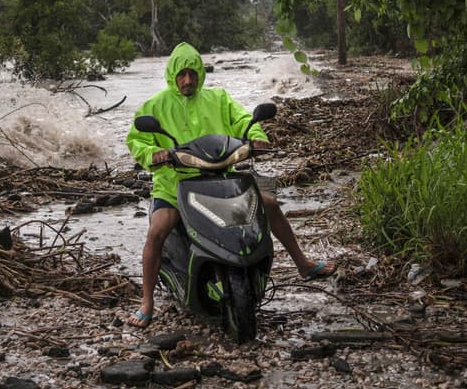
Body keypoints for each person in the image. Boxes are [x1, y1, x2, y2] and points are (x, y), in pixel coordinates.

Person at [123, 42, 336, 328]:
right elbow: (136, 138)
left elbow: (244, 121)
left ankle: (302, 264)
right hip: (174, 185)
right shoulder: (155, 106)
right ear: (172, 75)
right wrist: (153, 154)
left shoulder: (219, 99)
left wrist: (257, 136)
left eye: (192, 74)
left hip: (223, 179)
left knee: (269, 204)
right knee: (158, 228)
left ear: (200, 73)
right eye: (182, 75)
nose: (187, 80)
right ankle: (147, 302)